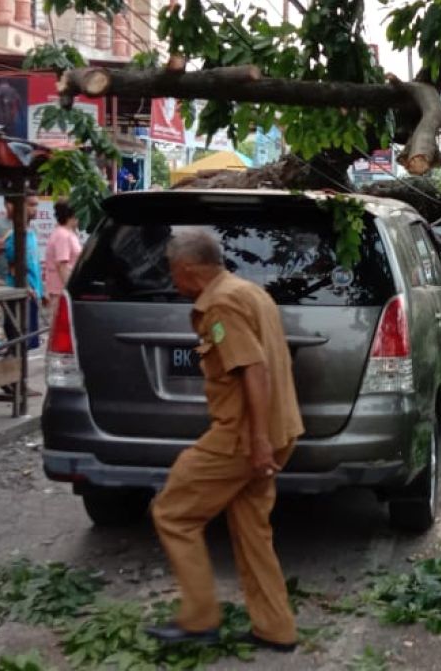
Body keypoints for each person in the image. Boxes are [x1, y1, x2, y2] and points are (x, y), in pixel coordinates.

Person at [147, 229, 304, 651]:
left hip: (243, 436)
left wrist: (256, 441)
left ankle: (199, 620)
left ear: (188, 269)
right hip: (279, 428)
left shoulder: (220, 304)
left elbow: (254, 369)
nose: (172, 280)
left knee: (173, 512)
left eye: (172, 271)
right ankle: (275, 628)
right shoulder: (249, 291)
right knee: (252, 528)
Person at [2, 196, 44, 350]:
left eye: (36, 205)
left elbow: (33, 264)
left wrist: (41, 290)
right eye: (31, 205)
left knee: (31, 343)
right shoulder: (14, 236)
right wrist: (27, 286)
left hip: (33, 292)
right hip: (20, 292)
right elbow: (15, 266)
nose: (35, 209)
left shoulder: (31, 233)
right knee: (20, 342)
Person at [44, 199, 82, 321]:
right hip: (61, 292)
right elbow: (62, 265)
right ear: (72, 216)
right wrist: (70, 290)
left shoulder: (68, 233)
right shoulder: (62, 236)